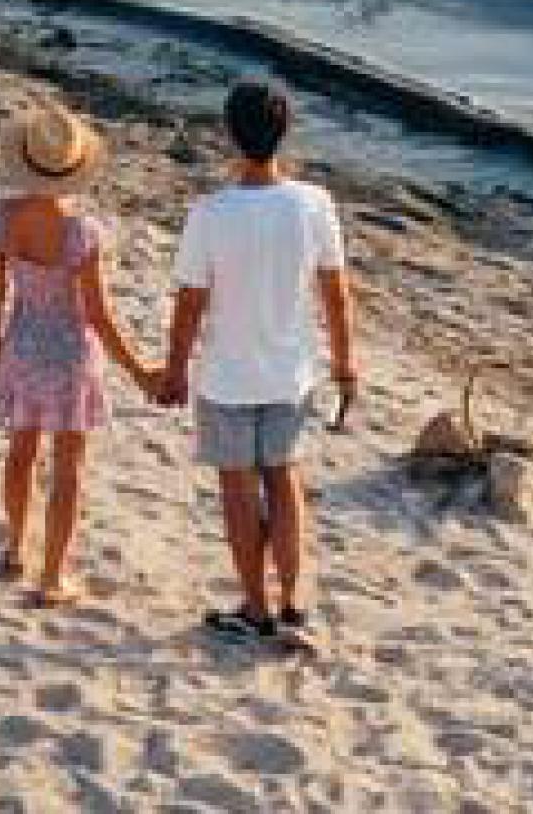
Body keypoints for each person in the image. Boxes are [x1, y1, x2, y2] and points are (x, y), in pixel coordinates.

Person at [154, 78, 357, 650]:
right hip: (290, 373)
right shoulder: (314, 204)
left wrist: (173, 370)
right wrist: (346, 363)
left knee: (239, 492)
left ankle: (255, 607)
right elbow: (337, 293)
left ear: (230, 136)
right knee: (285, 482)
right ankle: (294, 602)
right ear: (284, 132)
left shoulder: (210, 213)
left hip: (226, 376)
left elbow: (190, 303)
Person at [0, 103, 158, 608]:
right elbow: (98, 315)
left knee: (20, 452)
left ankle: (15, 549)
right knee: (68, 466)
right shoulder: (82, 232)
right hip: (71, 356)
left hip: (22, 343)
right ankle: (53, 576)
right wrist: (139, 370)